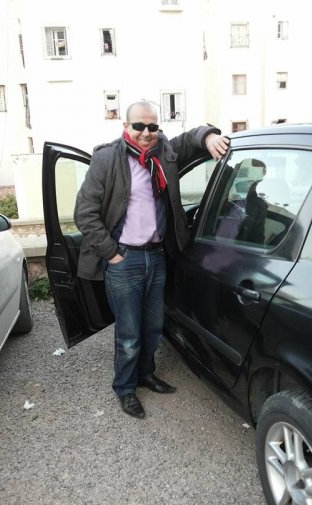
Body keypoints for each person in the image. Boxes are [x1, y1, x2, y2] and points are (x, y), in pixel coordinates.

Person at [74, 101, 230, 418]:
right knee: (129, 333)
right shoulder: (107, 159)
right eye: (139, 126)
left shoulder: (164, 153)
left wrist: (210, 136)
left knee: (153, 327)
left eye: (152, 126)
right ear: (126, 127)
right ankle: (125, 388)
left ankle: (145, 373)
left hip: (156, 256)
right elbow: (85, 214)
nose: (146, 133)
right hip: (124, 259)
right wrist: (112, 253)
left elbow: (191, 138)